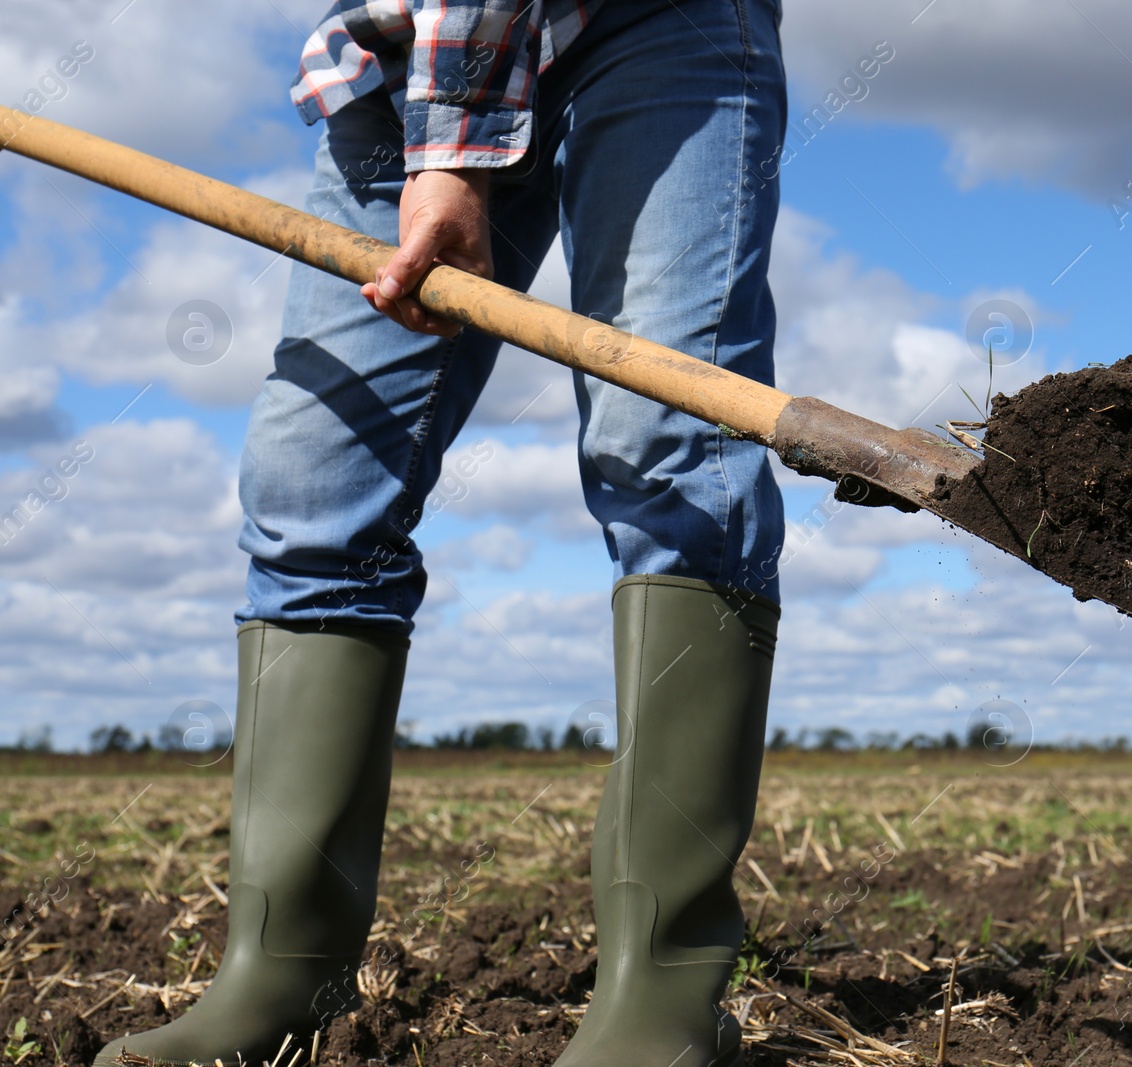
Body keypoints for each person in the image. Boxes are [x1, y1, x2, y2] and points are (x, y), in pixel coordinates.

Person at [94, 1, 787, 1065]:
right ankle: (282, 969)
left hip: (655, 22)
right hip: (403, 53)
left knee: (672, 452)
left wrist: (453, 155)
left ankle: (663, 994)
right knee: (313, 482)